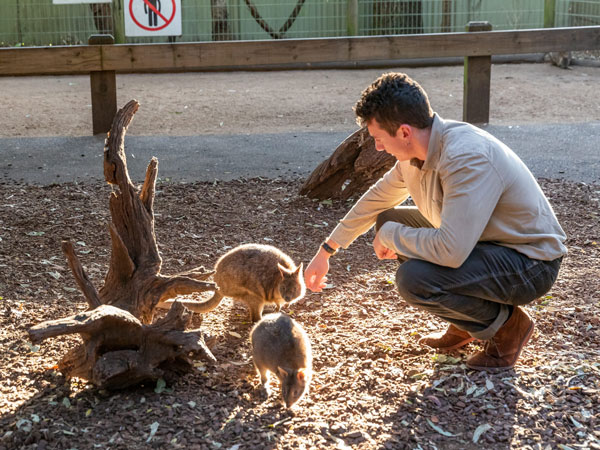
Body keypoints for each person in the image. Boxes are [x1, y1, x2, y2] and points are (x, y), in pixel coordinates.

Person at [304, 72, 566, 371]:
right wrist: (327, 250)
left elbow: (451, 251)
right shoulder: (415, 153)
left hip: (529, 262)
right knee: (388, 216)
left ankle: (509, 329)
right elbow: (377, 199)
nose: (377, 148)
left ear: (404, 132)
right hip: (484, 242)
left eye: (378, 139)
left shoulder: (466, 157)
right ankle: (465, 323)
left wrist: (391, 235)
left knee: (415, 279)